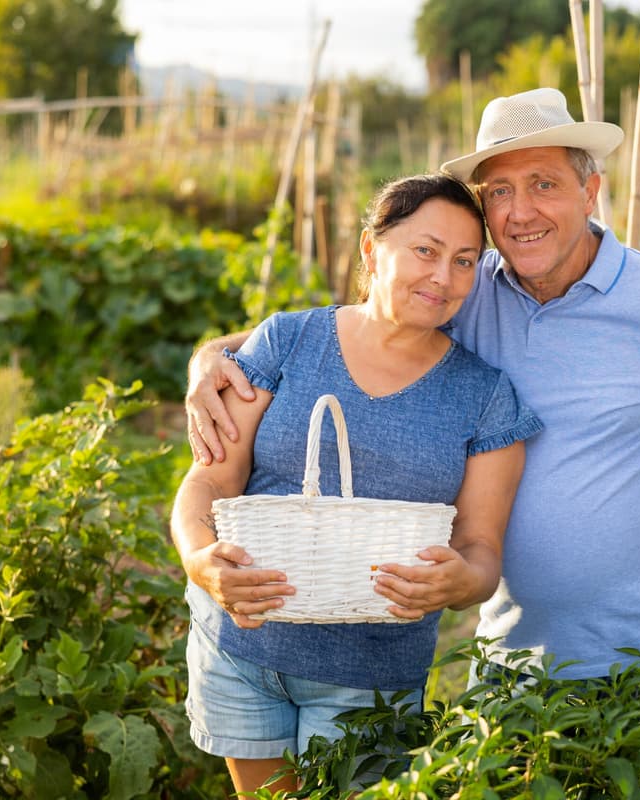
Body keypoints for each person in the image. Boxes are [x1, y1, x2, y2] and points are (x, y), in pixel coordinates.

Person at [185, 88, 640, 713]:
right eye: (499, 191)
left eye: (543, 184)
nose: (520, 212)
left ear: (590, 191)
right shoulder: (469, 288)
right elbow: (354, 327)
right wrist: (213, 355)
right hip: (509, 659)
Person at [170, 173, 542, 794]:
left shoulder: (484, 397)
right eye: (425, 250)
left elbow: (481, 551)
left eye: (464, 261)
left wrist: (460, 583)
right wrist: (199, 560)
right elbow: (208, 481)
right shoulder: (289, 341)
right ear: (372, 249)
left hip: (369, 678)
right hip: (242, 649)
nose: (443, 277)